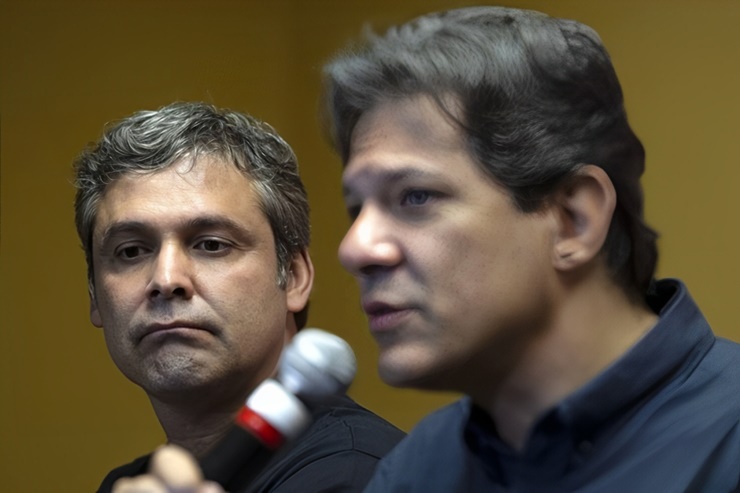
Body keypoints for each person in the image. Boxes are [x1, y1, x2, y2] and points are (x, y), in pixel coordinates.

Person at [322, 6, 740, 492]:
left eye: (415, 197)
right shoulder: (417, 468)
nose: (354, 249)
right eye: (357, 210)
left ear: (573, 220)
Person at [72, 102, 405, 493]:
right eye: (130, 251)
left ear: (294, 277)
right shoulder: (131, 485)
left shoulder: (358, 474)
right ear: (95, 296)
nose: (166, 279)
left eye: (211, 245)